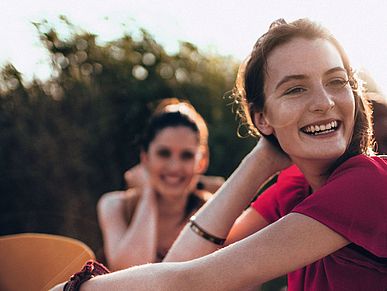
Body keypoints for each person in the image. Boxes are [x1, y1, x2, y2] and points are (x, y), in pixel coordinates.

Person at [52, 18, 387, 291]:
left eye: (337, 82)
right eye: (296, 89)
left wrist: (75, 288)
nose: (324, 102)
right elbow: (182, 265)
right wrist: (261, 160)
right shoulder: (297, 187)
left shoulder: (368, 182)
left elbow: (191, 281)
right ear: (261, 118)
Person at [97, 98, 215, 270]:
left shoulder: (212, 210)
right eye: (164, 153)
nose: (174, 167)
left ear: (202, 161)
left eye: (187, 155)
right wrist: (147, 195)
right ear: (145, 157)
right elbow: (129, 275)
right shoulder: (114, 205)